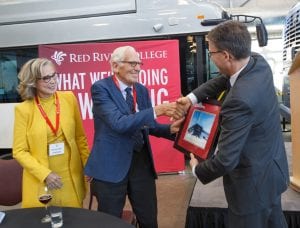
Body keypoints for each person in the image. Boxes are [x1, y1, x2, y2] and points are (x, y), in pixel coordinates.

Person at [175, 21, 289, 228]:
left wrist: (197, 169)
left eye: (211, 53)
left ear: (226, 55)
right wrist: (191, 98)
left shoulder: (238, 101)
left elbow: (225, 160)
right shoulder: (257, 63)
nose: (210, 57)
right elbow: (224, 78)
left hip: (250, 191)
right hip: (272, 173)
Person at [84, 46, 183, 228]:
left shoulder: (142, 90)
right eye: (132, 63)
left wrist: (171, 129)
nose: (138, 68)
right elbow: (119, 123)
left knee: (149, 219)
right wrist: (157, 110)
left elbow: (149, 126)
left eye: (139, 63)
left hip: (141, 164)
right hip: (111, 166)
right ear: (115, 66)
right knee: (110, 222)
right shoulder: (101, 89)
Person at [13, 58, 89, 208]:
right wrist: (45, 174)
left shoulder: (69, 98)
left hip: (70, 177)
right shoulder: (23, 110)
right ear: (33, 82)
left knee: (73, 220)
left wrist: (88, 164)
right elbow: (19, 151)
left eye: (54, 75)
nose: (53, 81)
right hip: (42, 180)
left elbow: (80, 137)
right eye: (46, 78)